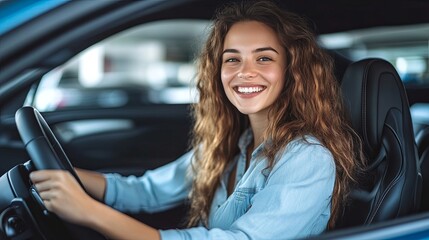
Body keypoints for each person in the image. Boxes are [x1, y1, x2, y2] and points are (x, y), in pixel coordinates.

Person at [29, 1, 364, 239]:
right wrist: (60, 176)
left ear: (293, 70)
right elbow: (143, 191)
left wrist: (88, 212)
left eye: (264, 58)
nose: (245, 72)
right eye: (232, 60)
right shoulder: (231, 145)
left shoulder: (308, 158)